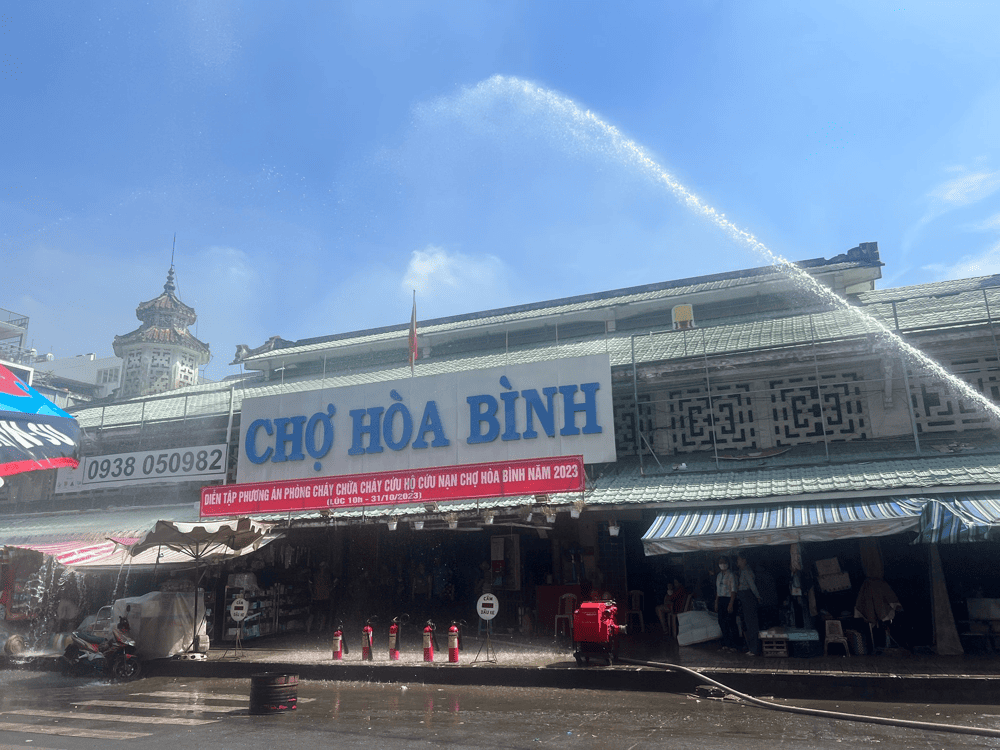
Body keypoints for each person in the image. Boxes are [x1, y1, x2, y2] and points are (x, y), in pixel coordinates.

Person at [736, 552, 763, 655]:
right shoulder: (742, 571)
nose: (737, 562)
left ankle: (754, 649)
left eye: (739, 560)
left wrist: (757, 596)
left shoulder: (746, 571)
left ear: (744, 560)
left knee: (751, 624)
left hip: (748, 597)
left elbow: (752, 586)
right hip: (744, 597)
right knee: (748, 623)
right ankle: (752, 647)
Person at [714, 555, 739, 651]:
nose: (722, 564)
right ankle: (726, 643)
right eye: (720, 562)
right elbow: (718, 590)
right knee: (721, 621)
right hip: (721, 599)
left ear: (727, 563)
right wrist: (716, 602)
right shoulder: (719, 575)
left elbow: (734, 590)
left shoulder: (731, 575)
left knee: (731, 622)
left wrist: (731, 603)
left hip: (729, 599)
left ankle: (734, 645)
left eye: (724, 562)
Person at [308, 561, 334, 633]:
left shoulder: (327, 576)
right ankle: (309, 629)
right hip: (317, 597)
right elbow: (310, 583)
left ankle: (320, 629)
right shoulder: (316, 575)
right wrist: (312, 593)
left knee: (323, 614)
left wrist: (329, 591)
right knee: (313, 613)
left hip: (324, 597)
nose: (323, 568)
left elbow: (331, 585)